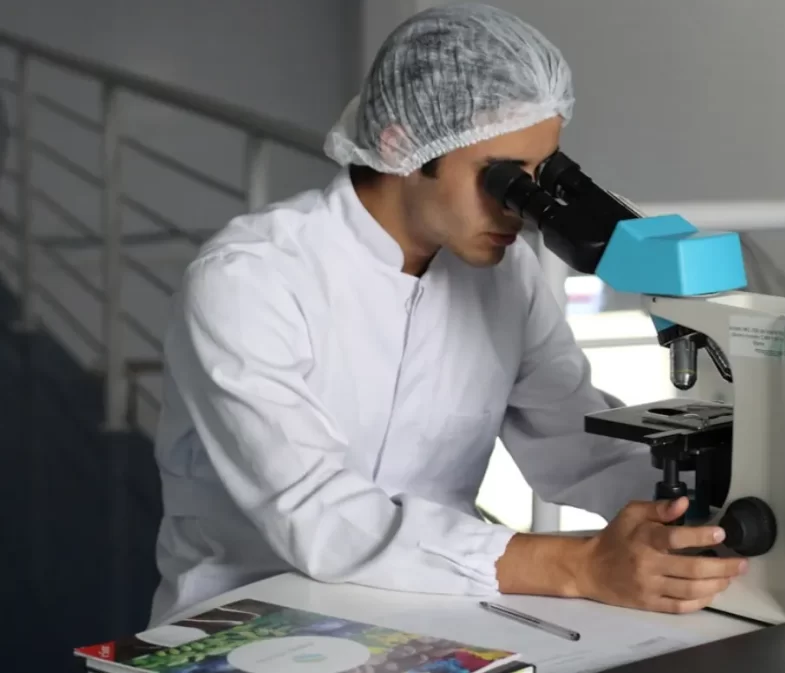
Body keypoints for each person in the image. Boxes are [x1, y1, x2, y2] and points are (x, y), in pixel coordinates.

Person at [149, 2, 746, 626]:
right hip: (251, 618)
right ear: (402, 145)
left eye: (541, 176)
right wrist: (581, 566)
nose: (521, 209)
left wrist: (701, 517)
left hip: (434, 611)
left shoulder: (504, 276)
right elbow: (320, 516)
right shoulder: (252, 279)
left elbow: (579, 444)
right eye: (504, 180)